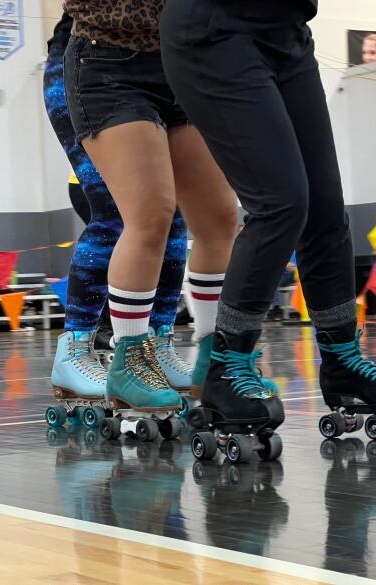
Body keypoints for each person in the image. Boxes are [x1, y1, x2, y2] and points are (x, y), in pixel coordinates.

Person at [159, 0, 376, 440]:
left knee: (324, 208)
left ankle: (341, 360)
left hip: (287, 29)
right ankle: (227, 367)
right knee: (281, 203)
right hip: (213, 28)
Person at [60, 2, 239, 414]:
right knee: (150, 214)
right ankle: (131, 361)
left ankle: (214, 357)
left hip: (181, 64)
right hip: (107, 63)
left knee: (220, 217)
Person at [43, 12, 194, 403]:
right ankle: (73, 352)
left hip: (160, 65)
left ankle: (155, 347)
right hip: (84, 62)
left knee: (171, 215)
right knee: (115, 211)